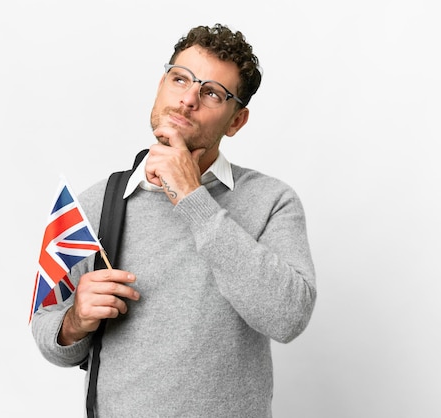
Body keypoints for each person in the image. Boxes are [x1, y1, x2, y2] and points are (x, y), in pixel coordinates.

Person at [32, 23, 316, 417]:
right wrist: (75, 320)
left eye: (212, 93)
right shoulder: (97, 203)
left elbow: (288, 317)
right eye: (179, 79)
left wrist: (192, 198)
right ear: (161, 84)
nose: (187, 100)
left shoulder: (272, 201)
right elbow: (47, 332)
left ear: (236, 121)